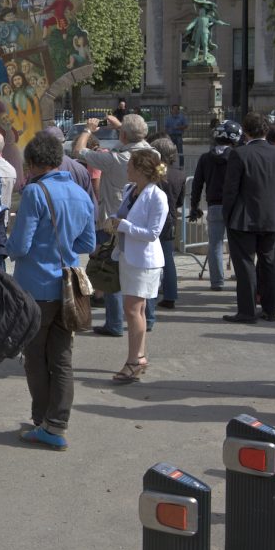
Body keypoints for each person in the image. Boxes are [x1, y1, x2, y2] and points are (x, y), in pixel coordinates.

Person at [6, 133, 95, 451]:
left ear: (30, 164)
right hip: (69, 287)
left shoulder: (34, 193)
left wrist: (6, 242)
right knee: (62, 358)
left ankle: (42, 421)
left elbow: (20, 246)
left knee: (34, 358)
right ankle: (56, 423)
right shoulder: (80, 193)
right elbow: (88, 244)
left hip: (36, 287)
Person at [74, 113, 152, 337]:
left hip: (115, 220)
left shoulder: (116, 159)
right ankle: (150, 318)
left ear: (124, 135)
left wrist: (88, 130)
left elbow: (79, 151)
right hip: (142, 218)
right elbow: (140, 140)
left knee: (111, 270)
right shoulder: (151, 153)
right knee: (141, 271)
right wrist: (122, 129)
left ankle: (115, 322)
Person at [105, 150, 169, 383]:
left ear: (142, 169)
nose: (127, 168)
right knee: (135, 310)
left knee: (133, 310)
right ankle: (138, 357)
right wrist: (114, 219)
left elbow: (153, 233)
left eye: (130, 165)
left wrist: (124, 226)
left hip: (145, 261)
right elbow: (124, 215)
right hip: (127, 257)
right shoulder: (131, 190)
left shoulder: (156, 196)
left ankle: (134, 360)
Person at [222, 112, 275, 324]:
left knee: (245, 265)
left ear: (245, 131)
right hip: (272, 217)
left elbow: (230, 190)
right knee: (270, 264)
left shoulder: (240, 154)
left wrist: (227, 215)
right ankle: (271, 309)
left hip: (243, 218)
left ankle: (247, 311)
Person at [190, 120, 242, 291]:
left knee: (215, 245)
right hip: (234, 205)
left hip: (213, 205)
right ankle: (240, 276)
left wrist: (194, 206)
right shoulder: (237, 155)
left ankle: (217, 281)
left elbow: (197, 184)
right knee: (237, 244)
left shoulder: (206, 158)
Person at [149, 137, 185, 311]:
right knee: (168, 258)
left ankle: (152, 293)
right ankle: (170, 294)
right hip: (170, 218)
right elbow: (179, 201)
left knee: (150, 258)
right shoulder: (179, 173)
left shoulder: (158, 172)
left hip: (154, 218)